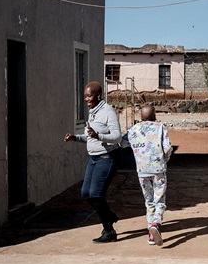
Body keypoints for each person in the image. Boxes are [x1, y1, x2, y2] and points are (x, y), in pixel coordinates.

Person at [64, 82, 123, 243]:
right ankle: (109, 215)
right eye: (85, 97)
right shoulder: (93, 113)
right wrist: (75, 138)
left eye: (89, 96)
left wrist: (99, 137)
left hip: (107, 158)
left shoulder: (107, 112)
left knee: (96, 194)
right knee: (86, 193)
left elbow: (117, 136)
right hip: (94, 158)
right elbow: (91, 136)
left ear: (98, 95)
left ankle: (109, 230)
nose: (86, 99)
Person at [123, 104, 172, 246]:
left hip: (142, 171)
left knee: (148, 200)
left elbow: (122, 142)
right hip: (158, 170)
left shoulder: (133, 130)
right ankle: (156, 223)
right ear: (154, 116)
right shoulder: (160, 128)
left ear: (140, 117)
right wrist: (164, 161)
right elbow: (168, 148)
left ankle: (151, 235)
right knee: (159, 200)